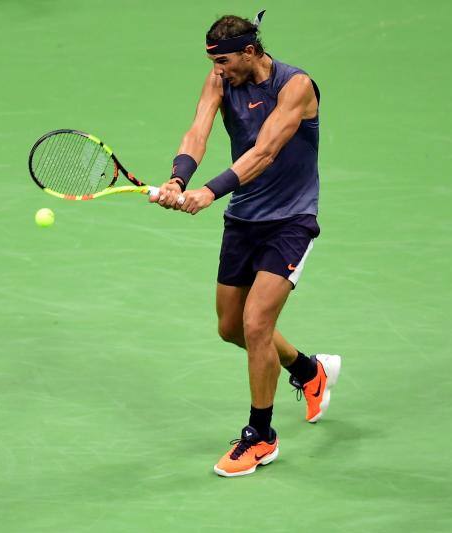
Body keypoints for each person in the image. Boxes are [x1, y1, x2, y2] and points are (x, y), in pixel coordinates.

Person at [150, 11, 342, 478]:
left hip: (291, 220)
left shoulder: (296, 87)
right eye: (214, 64)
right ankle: (307, 370)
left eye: (226, 63)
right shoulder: (219, 79)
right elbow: (198, 130)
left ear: (251, 52)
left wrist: (208, 192)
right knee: (230, 327)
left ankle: (261, 437)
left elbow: (265, 152)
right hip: (244, 220)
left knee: (257, 323)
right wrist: (180, 177)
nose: (219, 72)